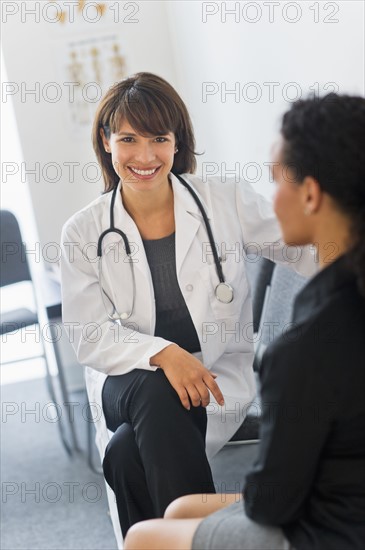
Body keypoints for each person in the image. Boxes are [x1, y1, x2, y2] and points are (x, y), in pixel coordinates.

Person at [60, 72, 315, 539]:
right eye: (128, 139)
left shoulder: (224, 200)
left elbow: (299, 245)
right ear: (106, 141)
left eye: (159, 138)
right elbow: (89, 335)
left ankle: (160, 545)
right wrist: (163, 354)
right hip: (127, 384)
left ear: (178, 142)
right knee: (156, 389)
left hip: (214, 380)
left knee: (125, 455)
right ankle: (206, 541)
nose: (144, 155)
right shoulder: (84, 230)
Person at [123, 93, 365, 550]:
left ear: (311, 193)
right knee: (176, 507)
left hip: (331, 528)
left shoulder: (303, 350)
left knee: (143, 538)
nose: (271, 201)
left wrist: (251, 493)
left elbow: (274, 502)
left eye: (278, 182)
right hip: (342, 493)